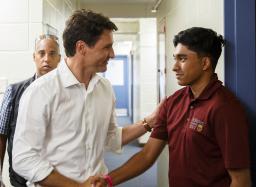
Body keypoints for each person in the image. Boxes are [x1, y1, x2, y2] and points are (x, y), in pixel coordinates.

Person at [12, 9, 158, 187]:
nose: (112, 54)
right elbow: (23, 158)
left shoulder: (104, 88)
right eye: (106, 47)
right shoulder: (41, 91)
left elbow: (110, 137)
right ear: (81, 47)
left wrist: (149, 122)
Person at [102, 27, 251, 187]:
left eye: (183, 59)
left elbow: (240, 180)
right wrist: (108, 180)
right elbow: (147, 155)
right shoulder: (172, 102)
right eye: (175, 58)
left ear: (205, 63)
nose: (174, 67)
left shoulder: (225, 108)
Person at [0, 34, 61, 187]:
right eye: (41, 53)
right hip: (21, 178)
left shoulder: (68, 92)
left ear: (59, 58)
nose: (46, 58)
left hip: (57, 177)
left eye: (52, 53)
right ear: (34, 57)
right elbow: (2, 136)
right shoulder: (13, 92)